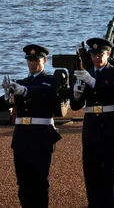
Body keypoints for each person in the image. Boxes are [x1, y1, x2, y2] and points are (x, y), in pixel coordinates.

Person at [70, 37, 114, 208]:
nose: (96, 58)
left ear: (108, 54)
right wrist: (76, 94)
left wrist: (93, 82)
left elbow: (113, 90)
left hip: (111, 126)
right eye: (93, 54)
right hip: (91, 127)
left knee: (110, 172)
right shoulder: (86, 73)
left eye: (100, 54)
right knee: (91, 172)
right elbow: (75, 106)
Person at [0, 45, 61, 208]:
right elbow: (4, 104)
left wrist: (23, 90)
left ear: (44, 61)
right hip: (22, 138)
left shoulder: (50, 81)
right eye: (30, 60)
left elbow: (41, 92)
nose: (32, 63)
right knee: (23, 181)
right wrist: (8, 95)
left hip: (41, 137)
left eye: (36, 60)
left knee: (40, 182)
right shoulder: (21, 82)